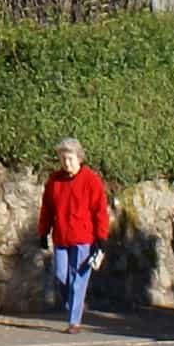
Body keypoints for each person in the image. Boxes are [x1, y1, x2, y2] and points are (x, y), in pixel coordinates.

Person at [38, 137, 113, 328]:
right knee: (61, 275)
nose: (66, 163)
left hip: (84, 238)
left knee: (78, 279)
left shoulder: (91, 180)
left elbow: (100, 211)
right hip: (61, 236)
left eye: (70, 158)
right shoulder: (54, 181)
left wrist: (101, 238)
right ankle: (73, 305)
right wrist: (43, 232)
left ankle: (74, 321)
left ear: (79, 158)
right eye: (63, 158)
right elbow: (47, 209)